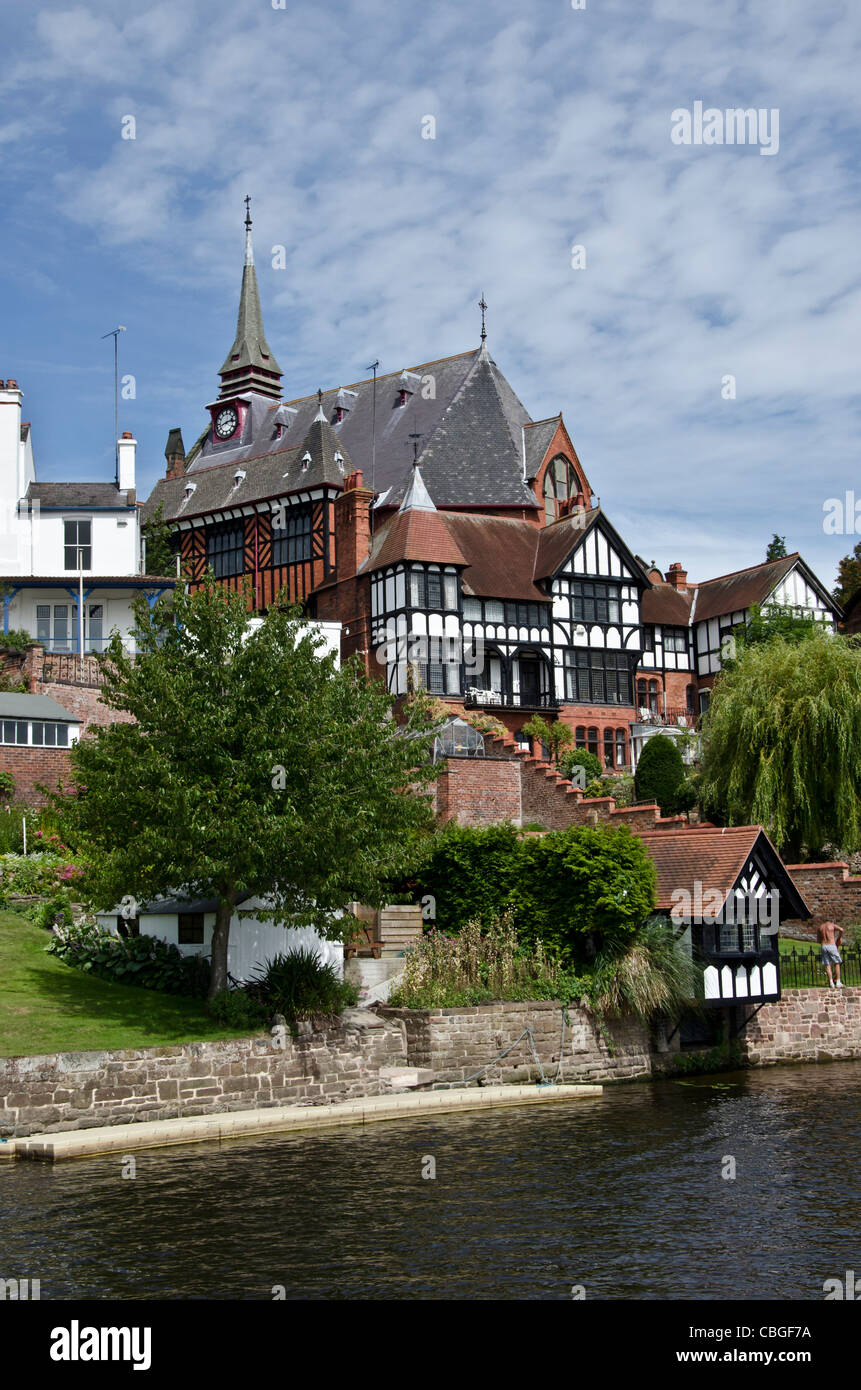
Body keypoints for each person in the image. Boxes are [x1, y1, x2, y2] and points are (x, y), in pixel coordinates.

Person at [817, 920, 844, 988]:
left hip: (823, 946)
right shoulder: (832, 925)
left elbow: (818, 940)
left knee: (827, 965)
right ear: (832, 921)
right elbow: (841, 929)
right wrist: (839, 937)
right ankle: (838, 982)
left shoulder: (820, 927)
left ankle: (831, 982)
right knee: (837, 963)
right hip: (831, 944)